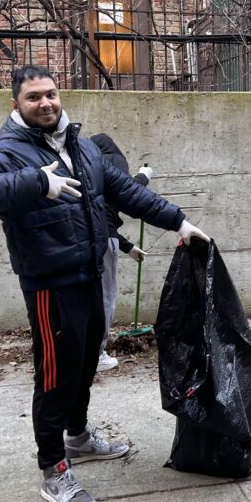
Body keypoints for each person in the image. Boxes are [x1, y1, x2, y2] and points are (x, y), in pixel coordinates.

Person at [0, 66, 210, 502]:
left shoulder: (82, 147)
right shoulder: (6, 153)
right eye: (33, 98)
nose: (45, 103)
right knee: (55, 375)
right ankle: (54, 470)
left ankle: (78, 437)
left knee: (87, 360)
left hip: (90, 273)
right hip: (51, 284)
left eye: (50, 94)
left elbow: (128, 192)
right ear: (16, 105)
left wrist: (179, 222)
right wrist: (38, 182)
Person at [89, 133, 151, 372]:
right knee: (104, 298)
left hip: (86, 238)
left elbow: (103, 215)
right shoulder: (112, 161)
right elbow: (127, 193)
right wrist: (143, 178)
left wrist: (127, 247)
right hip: (103, 243)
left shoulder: (85, 166)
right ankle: (96, 355)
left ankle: (82, 351)